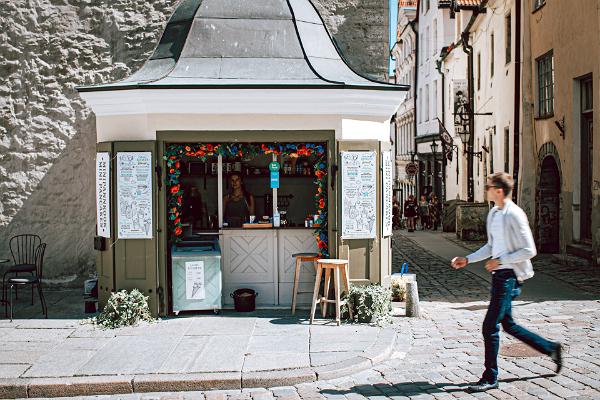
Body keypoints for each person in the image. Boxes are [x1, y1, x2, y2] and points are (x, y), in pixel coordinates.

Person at [451, 172, 562, 393]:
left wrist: (501, 261)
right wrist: (468, 259)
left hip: (509, 276)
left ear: (499, 191)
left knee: (490, 326)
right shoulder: (493, 214)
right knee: (508, 324)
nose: (486, 190)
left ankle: (490, 376)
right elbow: (492, 246)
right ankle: (551, 348)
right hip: (499, 275)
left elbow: (529, 250)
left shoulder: (515, 215)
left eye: (489, 187)